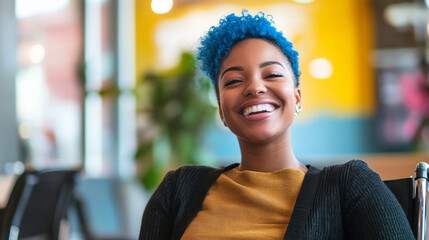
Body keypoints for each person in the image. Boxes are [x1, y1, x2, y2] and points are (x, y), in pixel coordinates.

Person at [139, 10, 415, 239]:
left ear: (297, 97)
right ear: (222, 110)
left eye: (271, 74)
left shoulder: (349, 186)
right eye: (234, 81)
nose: (255, 87)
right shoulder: (179, 190)